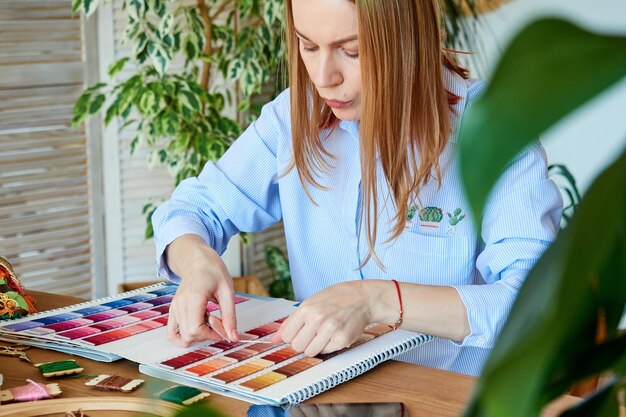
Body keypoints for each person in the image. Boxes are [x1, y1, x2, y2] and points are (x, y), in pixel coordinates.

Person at [152, 0, 562, 377]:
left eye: (352, 51)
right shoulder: (291, 117)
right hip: (318, 393)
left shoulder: (497, 131)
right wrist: (196, 258)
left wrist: (379, 300)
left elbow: (536, 305)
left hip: (443, 400)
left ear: (407, 40)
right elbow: (194, 209)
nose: (323, 78)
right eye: (307, 46)